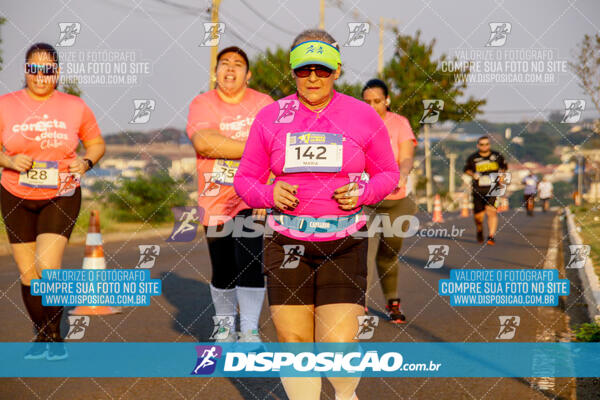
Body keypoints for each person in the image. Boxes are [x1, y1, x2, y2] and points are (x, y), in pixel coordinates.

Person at [234, 29, 399, 400]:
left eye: (321, 70)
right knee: (293, 343)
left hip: (344, 242)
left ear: (336, 70)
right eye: (303, 69)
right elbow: (245, 180)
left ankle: (344, 394)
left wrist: (363, 192)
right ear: (292, 71)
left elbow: (389, 174)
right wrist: (269, 192)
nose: (312, 77)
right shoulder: (271, 116)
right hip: (286, 242)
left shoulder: (362, 116)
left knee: (336, 350)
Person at [0, 43, 105, 360]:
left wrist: (86, 163)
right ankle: (43, 334)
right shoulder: (5, 105)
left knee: (47, 268)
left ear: (57, 72)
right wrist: (7, 160)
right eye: (34, 68)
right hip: (15, 192)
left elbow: (96, 143)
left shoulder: (75, 106)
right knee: (28, 273)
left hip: (61, 193)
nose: (41, 75)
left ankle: (55, 337)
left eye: (47, 69)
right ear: (25, 71)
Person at [186, 46, 273, 343]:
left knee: (250, 258)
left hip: (253, 194)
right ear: (215, 72)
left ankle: (249, 329)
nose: (230, 68)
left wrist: (266, 189)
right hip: (215, 197)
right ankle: (224, 327)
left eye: (238, 64)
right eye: (224, 63)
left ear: (248, 75)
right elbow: (204, 143)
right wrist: (255, 147)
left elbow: (277, 148)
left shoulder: (264, 103)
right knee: (222, 265)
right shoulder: (202, 103)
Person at [362, 79, 416, 323]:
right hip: (366, 201)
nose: (372, 106)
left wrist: (401, 175)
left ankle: (392, 302)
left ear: (387, 100)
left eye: (377, 101)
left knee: (388, 254)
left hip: (396, 200)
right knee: (364, 251)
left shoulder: (399, 123)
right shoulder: (358, 123)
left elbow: (406, 158)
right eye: (367, 102)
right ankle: (358, 304)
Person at [463, 136, 507, 245]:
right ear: (478, 145)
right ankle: (479, 230)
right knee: (479, 217)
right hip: (478, 188)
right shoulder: (473, 158)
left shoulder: (497, 156)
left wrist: (502, 177)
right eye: (482, 144)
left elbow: (503, 168)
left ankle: (491, 236)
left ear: (489, 145)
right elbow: (466, 170)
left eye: (486, 144)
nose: (484, 146)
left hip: (493, 187)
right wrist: (473, 174)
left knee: (491, 211)